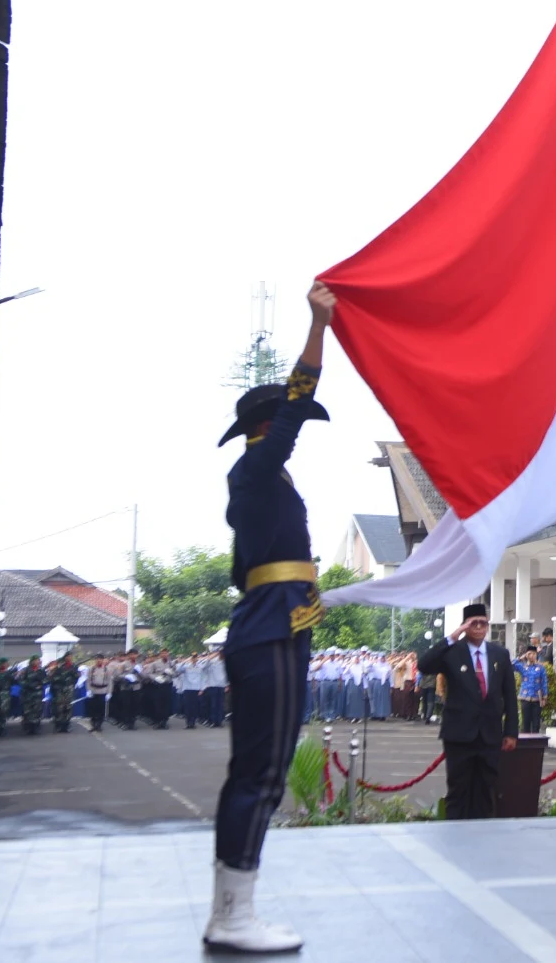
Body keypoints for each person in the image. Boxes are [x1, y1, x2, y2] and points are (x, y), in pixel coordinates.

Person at [203, 281, 334, 953]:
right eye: (284, 424)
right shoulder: (255, 470)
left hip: (279, 626)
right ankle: (233, 914)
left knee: (263, 769)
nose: (293, 430)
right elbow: (293, 404)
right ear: (264, 430)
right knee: (260, 773)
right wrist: (319, 327)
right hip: (270, 636)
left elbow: (254, 570)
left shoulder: (264, 486)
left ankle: (233, 906)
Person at [418, 604, 518, 820]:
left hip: (489, 734)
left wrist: (511, 732)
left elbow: (509, 695)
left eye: (483, 623)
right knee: (458, 790)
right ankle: (455, 837)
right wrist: (453, 636)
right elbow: (424, 665)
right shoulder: (453, 652)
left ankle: (481, 839)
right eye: (474, 623)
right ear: (465, 626)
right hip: (459, 735)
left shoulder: (499, 654)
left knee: (485, 790)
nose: (479, 628)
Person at [516, 647, 548, 734]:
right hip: (525, 697)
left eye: (534, 654)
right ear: (526, 655)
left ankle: (536, 744)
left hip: (537, 698)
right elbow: (510, 665)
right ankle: (526, 744)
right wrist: (519, 658)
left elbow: (544, 682)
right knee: (525, 722)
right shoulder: (522, 666)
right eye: (529, 654)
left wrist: (544, 697)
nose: (532, 656)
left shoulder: (540, 668)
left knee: (536, 723)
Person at [49, 654, 78, 733]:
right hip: (60, 689)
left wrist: (71, 680)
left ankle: (66, 725)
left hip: (69, 689)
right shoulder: (59, 667)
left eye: (70, 656)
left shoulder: (74, 666)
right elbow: (53, 678)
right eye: (68, 656)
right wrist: (61, 679)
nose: (69, 658)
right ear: (65, 658)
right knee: (59, 708)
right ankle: (59, 724)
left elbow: (76, 677)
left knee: (68, 707)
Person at [19, 658, 48, 735]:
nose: (38, 662)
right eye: (36, 660)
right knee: (27, 711)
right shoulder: (25, 670)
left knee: (37, 710)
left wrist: (39, 684)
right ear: (32, 661)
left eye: (38, 660)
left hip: (38, 693)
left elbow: (46, 680)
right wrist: (29, 685)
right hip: (28, 693)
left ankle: (35, 727)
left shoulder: (41, 670)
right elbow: (21, 680)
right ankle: (28, 727)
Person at [87, 655, 114, 731]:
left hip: (103, 691)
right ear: (95, 660)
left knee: (101, 709)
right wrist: (88, 690)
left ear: (103, 660)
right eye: (97, 659)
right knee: (93, 709)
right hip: (93, 690)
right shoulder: (91, 669)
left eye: (100, 659)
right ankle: (93, 724)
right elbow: (88, 680)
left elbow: (110, 681)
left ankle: (99, 725)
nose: (99, 661)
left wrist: (109, 692)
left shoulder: (107, 669)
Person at [203, 650, 228, 727]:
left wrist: (227, 685)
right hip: (213, 685)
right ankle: (213, 721)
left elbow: (227, 674)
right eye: (220, 653)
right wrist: (210, 657)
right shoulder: (212, 661)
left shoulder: (225, 662)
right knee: (213, 705)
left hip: (221, 685)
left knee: (220, 705)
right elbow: (204, 667)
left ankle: (219, 722)